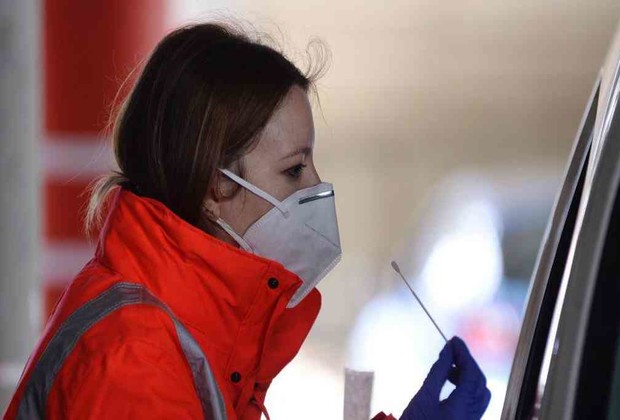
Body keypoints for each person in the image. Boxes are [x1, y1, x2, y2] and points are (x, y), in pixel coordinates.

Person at [4, 22, 490, 419]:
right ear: (216, 187)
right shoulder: (136, 356)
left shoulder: (188, 331)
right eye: (294, 169)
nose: (317, 186)